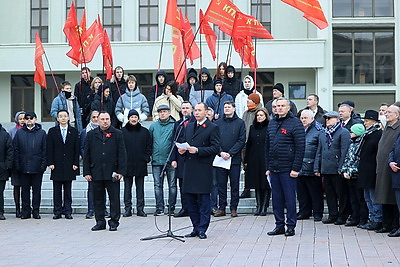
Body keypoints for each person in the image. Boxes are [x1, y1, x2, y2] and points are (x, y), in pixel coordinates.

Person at [178, 102, 220, 239]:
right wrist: (182, 150)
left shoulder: (212, 127)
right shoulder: (189, 126)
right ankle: (195, 227)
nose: (196, 113)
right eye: (195, 110)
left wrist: (198, 150)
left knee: (203, 200)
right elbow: (184, 141)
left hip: (203, 167)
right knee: (190, 200)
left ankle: (202, 228)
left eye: (199, 110)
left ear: (206, 112)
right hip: (189, 167)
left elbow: (215, 148)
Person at [265, 97, 305, 237]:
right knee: (276, 199)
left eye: (282, 106)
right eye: (277, 106)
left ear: (288, 108)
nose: (279, 108)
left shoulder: (295, 123)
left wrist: (296, 168)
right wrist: (268, 166)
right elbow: (267, 146)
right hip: (274, 168)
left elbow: (300, 147)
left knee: (289, 199)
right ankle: (279, 225)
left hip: (288, 169)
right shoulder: (272, 123)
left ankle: (291, 226)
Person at [83, 112, 127, 231]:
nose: (105, 121)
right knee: (97, 199)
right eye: (102, 119)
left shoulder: (117, 134)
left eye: (107, 119)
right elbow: (86, 154)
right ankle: (100, 222)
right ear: (97, 120)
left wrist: (121, 171)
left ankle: (114, 222)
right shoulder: (91, 134)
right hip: (96, 172)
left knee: (114, 199)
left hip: (113, 172)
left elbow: (122, 153)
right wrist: (86, 172)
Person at [315, 111, 351, 225]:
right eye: (326, 118)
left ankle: (342, 215)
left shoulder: (343, 132)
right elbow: (319, 151)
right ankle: (332, 214)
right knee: (329, 194)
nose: (327, 120)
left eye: (330, 118)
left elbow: (344, 151)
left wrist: (341, 167)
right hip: (326, 168)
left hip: (337, 168)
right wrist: (317, 167)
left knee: (341, 193)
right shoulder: (323, 133)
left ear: (337, 119)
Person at [214, 101, 246, 218]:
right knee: (221, 185)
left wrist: (230, 153)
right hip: (220, 158)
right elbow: (214, 140)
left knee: (234, 185)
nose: (226, 109)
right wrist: (221, 152)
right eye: (225, 107)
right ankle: (221, 207)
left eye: (229, 107)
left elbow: (241, 140)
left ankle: (234, 208)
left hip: (234, 159)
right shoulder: (217, 123)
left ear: (234, 108)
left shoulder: (240, 123)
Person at [13, 111, 47, 219]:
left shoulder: (42, 133)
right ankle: (26, 211)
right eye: (26, 118)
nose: (28, 120)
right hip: (24, 167)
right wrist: (18, 165)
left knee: (37, 191)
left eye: (31, 118)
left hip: (37, 168)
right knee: (25, 191)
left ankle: (36, 211)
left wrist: (43, 165)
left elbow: (45, 151)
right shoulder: (19, 133)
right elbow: (16, 150)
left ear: (35, 119)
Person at [46, 110, 79, 220]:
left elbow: (76, 149)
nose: (63, 118)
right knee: (57, 190)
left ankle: (68, 211)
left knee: (68, 190)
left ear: (69, 118)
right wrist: (50, 162)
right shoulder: (52, 131)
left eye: (65, 116)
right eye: (61, 116)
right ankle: (57, 211)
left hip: (69, 165)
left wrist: (75, 163)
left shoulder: (74, 131)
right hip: (56, 165)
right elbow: (49, 148)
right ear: (57, 119)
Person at [375, 104, 400, 235]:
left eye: (390, 112)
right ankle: (387, 224)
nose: (386, 114)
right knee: (384, 197)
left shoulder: (398, 128)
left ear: (397, 115)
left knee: (393, 199)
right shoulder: (387, 128)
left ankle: (395, 225)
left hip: (393, 169)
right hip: (383, 168)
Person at [121, 109, 151, 217]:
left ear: (138, 118)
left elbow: (149, 146)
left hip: (140, 163)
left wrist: (146, 157)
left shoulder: (145, 132)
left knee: (140, 188)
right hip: (127, 164)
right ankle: (127, 209)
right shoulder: (122, 132)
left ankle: (140, 209)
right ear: (128, 118)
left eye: (135, 117)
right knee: (127, 188)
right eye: (131, 117)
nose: (133, 119)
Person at [296, 109, 324, 221]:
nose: (303, 120)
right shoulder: (298, 130)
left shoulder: (318, 131)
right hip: (299, 166)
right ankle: (304, 212)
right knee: (302, 193)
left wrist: (317, 167)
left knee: (315, 192)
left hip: (312, 166)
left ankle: (317, 212)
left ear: (312, 118)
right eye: (302, 118)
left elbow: (319, 150)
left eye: (305, 118)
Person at [357, 110, 383, 230]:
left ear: (374, 121)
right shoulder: (367, 134)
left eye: (367, 121)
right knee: (367, 197)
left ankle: (377, 219)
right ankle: (372, 217)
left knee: (373, 197)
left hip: (372, 170)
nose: (365, 123)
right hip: (364, 169)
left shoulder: (377, 134)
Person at [149, 105, 176, 216]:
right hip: (156, 160)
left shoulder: (174, 125)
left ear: (169, 113)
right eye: (160, 112)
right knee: (157, 185)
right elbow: (149, 142)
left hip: (170, 160)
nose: (163, 114)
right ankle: (159, 207)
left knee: (172, 185)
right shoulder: (153, 126)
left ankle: (171, 207)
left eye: (165, 111)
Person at [244, 108, 271, 216]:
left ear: (266, 116)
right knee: (257, 183)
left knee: (265, 183)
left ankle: (264, 206)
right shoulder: (252, 127)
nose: (259, 117)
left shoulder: (269, 127)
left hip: (265, 158)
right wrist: (246, 160)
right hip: (254, 158)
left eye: (261, 115)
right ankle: (258, 206)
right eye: (258, 115)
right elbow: (249, 144)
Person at [341, 123, 369, 227]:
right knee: (353, 199)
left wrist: (351, 171)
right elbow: (347, 158)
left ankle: (363, 218)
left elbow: (359, 161)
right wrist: (345, 170)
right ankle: (355, 217)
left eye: (352, 132)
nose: (350, 133)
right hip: (349, 176)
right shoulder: (351, 144)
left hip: (357, 176)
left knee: (360, 199)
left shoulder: (361, 144)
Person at [171, 101, 195, 218]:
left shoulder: (196, 122)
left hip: (193, 158)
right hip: (180, 159)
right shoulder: (178, 124)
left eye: (187, 108)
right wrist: (173, 159)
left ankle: (194, 208)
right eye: (183, 108)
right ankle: (185, 207)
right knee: (182, 185)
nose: (185, 110)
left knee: (194, 184)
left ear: (192, 109)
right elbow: (173, 141)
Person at [80, 110, 99, 219]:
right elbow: (82, 147)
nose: (96, 119)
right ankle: (91, 210)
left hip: (102, 164)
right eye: (94, 117)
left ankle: (103, 209)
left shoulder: (105, 131)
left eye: (97, 117)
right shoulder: (85, 132)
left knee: (103, 187)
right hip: (91, 164)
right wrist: (88, 158)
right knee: (91, 188)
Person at [8, 111, 25, 218]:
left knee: (26, 188)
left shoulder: (28, 131)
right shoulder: (12, 131)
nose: (22, 120)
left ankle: (25, 207)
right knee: (17, 187)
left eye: (24, 118)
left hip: (26, 163)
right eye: (20, 119)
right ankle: (17, 208)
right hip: (15, 164)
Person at [0, 123, 13, 220]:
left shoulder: (4, 135)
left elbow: (10, 151)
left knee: (0, 192)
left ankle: (0, 212)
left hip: (1, 169)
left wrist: (6, 165)